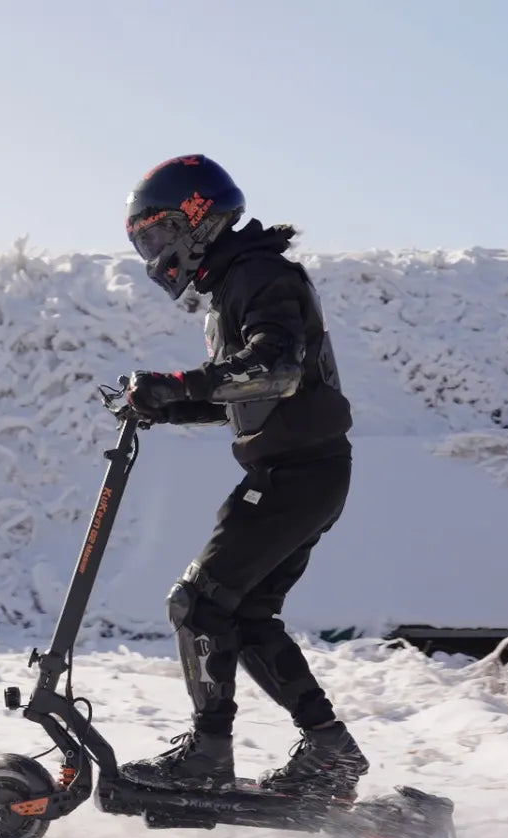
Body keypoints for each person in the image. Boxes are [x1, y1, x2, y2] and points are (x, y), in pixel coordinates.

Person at [120, 155, 368, 799]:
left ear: (193, 220)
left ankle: (207, 756)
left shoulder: (260, 275)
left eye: (153, 234)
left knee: (198, 603)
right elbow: (246, 392)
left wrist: (174, 385)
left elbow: (275, 368)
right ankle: (330, 751)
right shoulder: (236, 282)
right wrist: (164, 404)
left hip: (296, 473)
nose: (152, 253)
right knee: (246, 612)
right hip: (302, 470)